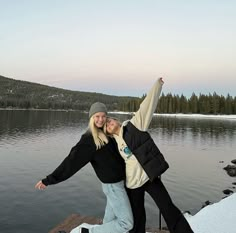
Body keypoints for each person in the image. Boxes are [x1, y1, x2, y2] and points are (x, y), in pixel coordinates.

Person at [105, 78, 194, 233]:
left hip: (149, 177)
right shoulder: (114, 144)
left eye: (110, 120)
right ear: (106, 132)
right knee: (137, 218)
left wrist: (157, 85)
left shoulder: (134, 125)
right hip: (132, 185)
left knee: (168, 208)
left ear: (116, 121)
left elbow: (146, 106)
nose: (109, 123)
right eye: (106, 125)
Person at [35, 102, 133, 233]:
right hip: (113, 186)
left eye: (103, 116)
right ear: (91, 117)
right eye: (97, 116)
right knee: (126, 224)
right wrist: (49, 180)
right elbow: (70, 163)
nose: (100, 119)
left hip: (118, 184)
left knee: (109, 223)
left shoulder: (108, 134)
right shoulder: (88, 140)